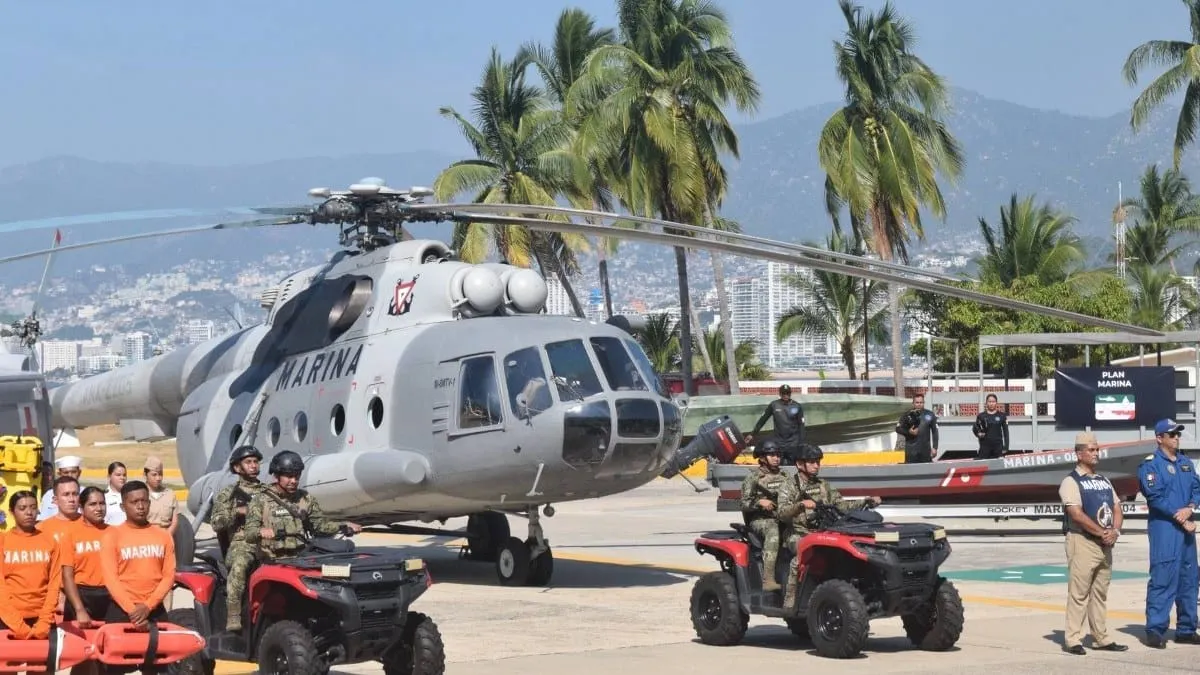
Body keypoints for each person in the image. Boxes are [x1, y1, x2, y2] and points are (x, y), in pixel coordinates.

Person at [775, 444, 881, 609]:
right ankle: (791, 601)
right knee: (801, 555)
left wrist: (866, 501)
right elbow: (781, 513)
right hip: (798, 533)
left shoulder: (823, 485)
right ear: (799, 464)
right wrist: (800, 505)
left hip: (823, 532)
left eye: (818, 461)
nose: (816, 465)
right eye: (812, 462)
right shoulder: (789, 486)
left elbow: (841, 505)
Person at [1059, 431, 1128, 655]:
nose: (1096, 453)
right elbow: (1076, 514)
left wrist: (1115, 531)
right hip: (1082, 541)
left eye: (1097, 449)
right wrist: (1101, 533)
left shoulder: (1104, 480)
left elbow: (1117, 507)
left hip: (1105, 544)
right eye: (1091, 449)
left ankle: (1101, 637)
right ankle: (1073, 639)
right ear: (1079, 453)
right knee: (1079, 593)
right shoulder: (1071, 482)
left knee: (1100, 593)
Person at [1138, 418, 1200, 648]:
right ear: (1159, 438)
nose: (1176, 438)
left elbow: (1196, 488)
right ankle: (1155, 629)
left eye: (1178, 434)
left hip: (1185, 528)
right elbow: (1155, 497)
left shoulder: (1186, 462)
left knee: (1189, 578)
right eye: (1172, 434)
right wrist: (1180, 516)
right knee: (1163, 576)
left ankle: (1186, 628)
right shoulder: (1151, 465)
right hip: (1165, 528)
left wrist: (1190, 508)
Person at [244, 451, 361, 564]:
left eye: (297, 476)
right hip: (271, 561)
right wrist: (261, 531)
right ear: (276, 476)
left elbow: (320, 527)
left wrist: (343, 525)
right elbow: (249, 533)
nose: (294, 481)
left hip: (301, 559)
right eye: (289, 476)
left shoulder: (305, 498)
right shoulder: (260, 500)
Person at [100, 480, 176, 646]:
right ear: (123, 506)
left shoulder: (163, 536)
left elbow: (169, 575)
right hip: (122, 610)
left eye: (144, 501)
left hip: (155, 610)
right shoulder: (112, 536)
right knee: (112, 667)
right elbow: (110, 579)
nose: (140, 506)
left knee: (157, 666)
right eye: (134, 502)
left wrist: (148, 606)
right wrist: (133, 611)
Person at [210, 445, 267, 633]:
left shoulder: (268, 491)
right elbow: (217, 523)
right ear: (237, 468)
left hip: (269, 541)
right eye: (248, 462)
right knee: (240, 565)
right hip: (242, 542)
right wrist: (238, 512)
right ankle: (233, 614)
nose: (253, 465)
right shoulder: (229, 494)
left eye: (255, 461)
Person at [0, 490, 62, 639]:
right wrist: (18, 626)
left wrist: (44, 622)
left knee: (46, 662)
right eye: (22, 508)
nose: (29, 512)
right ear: (11, 512)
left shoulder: (50, 541)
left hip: (42, 619)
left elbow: (54, 584)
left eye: (33, 507)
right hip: (9, 621)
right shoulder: (3, 541)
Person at [738, 438, 787, 592]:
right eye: (772, 455)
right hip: (760, 520)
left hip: (783, 516)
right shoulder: (753, 478)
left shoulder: (785, 476)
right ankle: (768, 579)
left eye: (778, 454)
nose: (776, 458)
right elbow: (743, 504)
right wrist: (759, 503)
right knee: (773, 531)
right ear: (762, 458)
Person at [62, 487, 110, 630]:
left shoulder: (115, 533)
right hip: (82, 595)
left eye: (102, 503)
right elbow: (67, 576)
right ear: (81, 508)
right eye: (93, 504)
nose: (99, 508)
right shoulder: (71, 534)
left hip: (110, 596)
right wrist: (79, 609)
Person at [142, 457, 178, 610]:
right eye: (154, 474)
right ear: (146, 475)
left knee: (167, 579)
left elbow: (175, 519)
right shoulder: (141, 494)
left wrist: (167, 535)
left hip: (166, 539)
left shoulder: (170, 494)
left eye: (160, 474)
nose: (158, 478)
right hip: (146, 540)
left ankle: (167, 612)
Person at [746, 384, 805, 454]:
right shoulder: (774, 405)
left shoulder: (797, 406)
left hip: (793, 442)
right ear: (780, 394)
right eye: (783, 393)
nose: (786, 395)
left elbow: (801, 425)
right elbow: (762, 420)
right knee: (779, 462)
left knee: (793, 463)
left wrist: (801, 443)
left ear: (790, 393)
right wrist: (753, 434)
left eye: (788, 393)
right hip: (779, 442)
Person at [896, 393, 938, 463]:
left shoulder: (930, 414)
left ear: (924, 403)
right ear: (913, 403)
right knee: (911, 472)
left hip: (925, 451)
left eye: (921, 402)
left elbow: (935, 431)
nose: (919, 404)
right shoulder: (907, 415)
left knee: (926, 471)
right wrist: (909, 432)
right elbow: (898, 429)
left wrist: (935, 447)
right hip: (911, 451)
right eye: (917, 402)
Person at [38, 455, 82, 520]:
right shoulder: (49, 495)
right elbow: (42, 519)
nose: (70, 475)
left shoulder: (87, 493)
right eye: (66, 473)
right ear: (59, 473)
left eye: (73, 472)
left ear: (79, 473)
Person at [973, 394, 1009, 459]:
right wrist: (978, 434)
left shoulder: (1002, 416)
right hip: (985, 447)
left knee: (998, 467)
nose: (991, 404)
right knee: (984, 467)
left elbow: (1006, 432)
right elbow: (975, 428)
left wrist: (1006, 446)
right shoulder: (981, 416)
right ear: (986, 403)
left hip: (998, 447)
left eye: (993, 401)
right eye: (989, 402)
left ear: (996, 403)